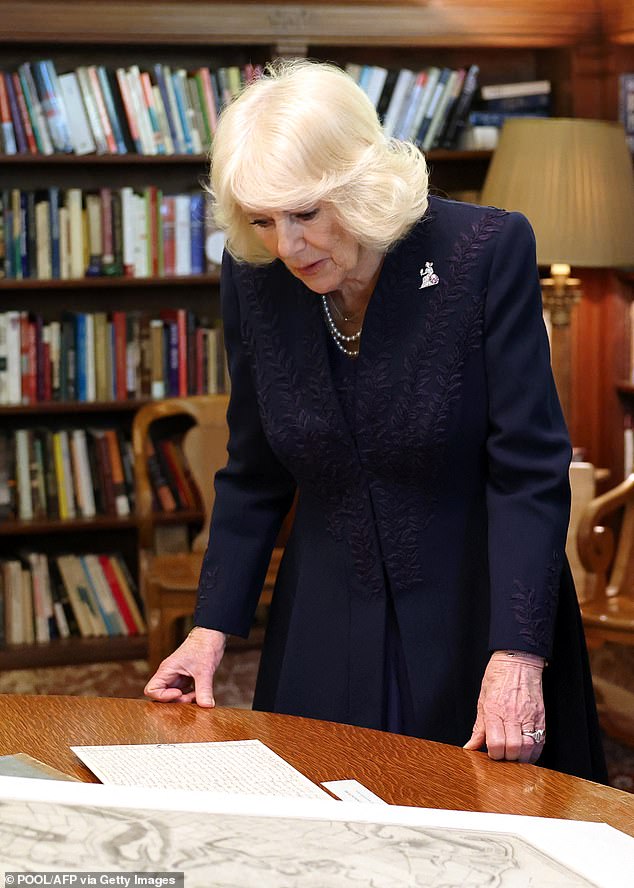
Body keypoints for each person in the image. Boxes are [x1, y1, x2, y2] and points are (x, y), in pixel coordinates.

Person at [145, 59, 607, 782]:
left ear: (360, 184)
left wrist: (517, 654)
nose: (285, 246)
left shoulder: (482, 253)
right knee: (320, 832)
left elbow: (528, 470)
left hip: (478, 613)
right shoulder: (255, 278)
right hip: (323, 618)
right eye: (262, 220)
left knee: (493, 832)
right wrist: (209, 631)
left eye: (305, 213)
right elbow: (254, 469)